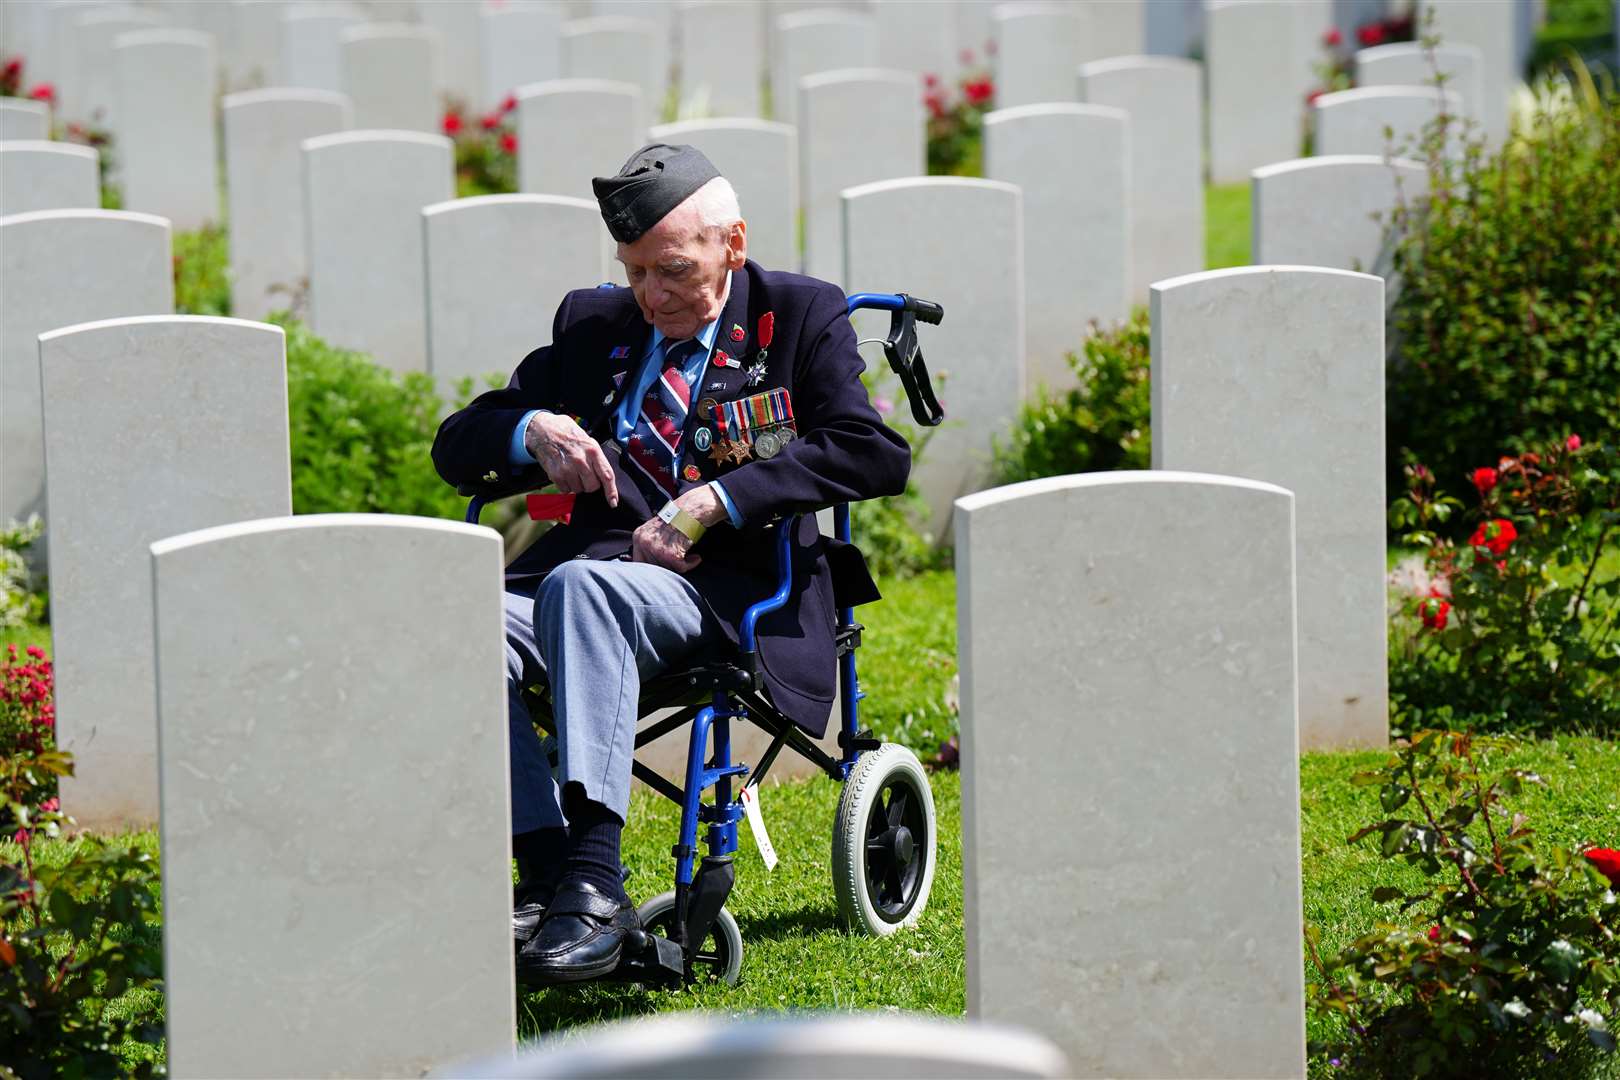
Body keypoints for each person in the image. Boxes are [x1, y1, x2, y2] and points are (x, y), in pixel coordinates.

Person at [431, 143, 910, 985]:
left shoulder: (797, 315)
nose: (651, 295)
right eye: (635, 271)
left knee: (583, 589)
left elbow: (872, 453)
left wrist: (714, 502)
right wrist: (531, 429)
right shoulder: (595, 324)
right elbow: (456, 443)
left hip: (725, 592)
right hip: (583, 582)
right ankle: (546, 879)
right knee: (455, 610)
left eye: (673, 271)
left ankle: (595, 881)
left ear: (733, 243)